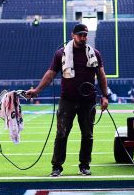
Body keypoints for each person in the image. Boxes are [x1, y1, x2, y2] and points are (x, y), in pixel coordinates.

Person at [24, 23, 110, 177]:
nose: (83, 38)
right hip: (67, 100)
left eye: (85, 35)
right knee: (61, 134)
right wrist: (37, 90)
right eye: (80, 35)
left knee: (87, 135)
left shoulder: (94, 53)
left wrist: (105, 96)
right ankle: (57, 167)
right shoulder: (61, 54)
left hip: (88, 101)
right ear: (73, 35)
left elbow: (102, 75)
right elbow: (50, 74)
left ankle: (84, 165)